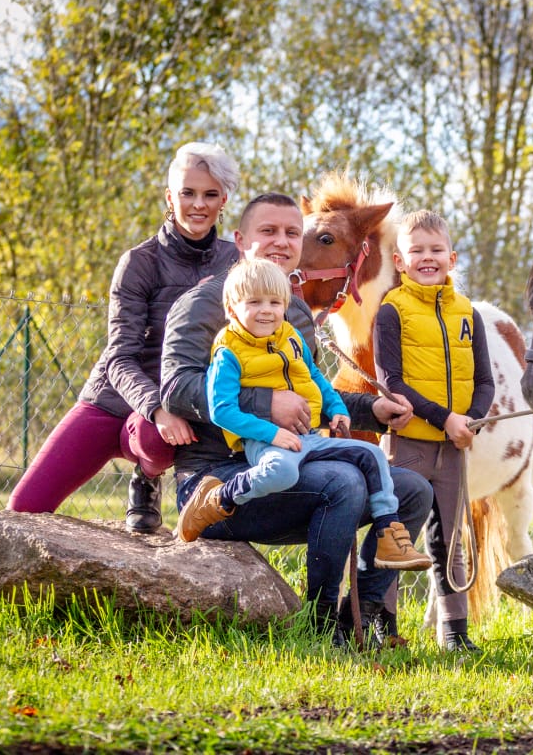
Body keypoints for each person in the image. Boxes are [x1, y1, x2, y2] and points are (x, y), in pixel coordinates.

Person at [159, 192, 434, 645]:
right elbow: (176, 388)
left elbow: (311, 395)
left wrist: (373, 411)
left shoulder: (295, 310)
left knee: (411, 490)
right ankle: (321, 629)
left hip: (295, 461)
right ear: (240, 239)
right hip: (220, 480)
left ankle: (360, 615)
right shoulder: (203, 304)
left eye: (292, 232)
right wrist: (266, 404)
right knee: (342, 482)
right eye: (269, 231)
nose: (284, 242)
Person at [7, 142, 240, 532]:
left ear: (224, 200)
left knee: (157, 439)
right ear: (170, 196)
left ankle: (147, 477)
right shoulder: (139, 262)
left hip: (179, 408)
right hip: (113, 399)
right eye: (187, 192)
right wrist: (157, 408)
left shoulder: (235, 262)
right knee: (23, 510)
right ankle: (147, 449)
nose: (198, 204)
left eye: (209, 194)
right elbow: (119, 358)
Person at [177, 257, 431, 573]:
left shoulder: (290, 338)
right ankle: (219, 498)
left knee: (371, 456)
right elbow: (222, 411)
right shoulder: (228, 352)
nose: (267, 310)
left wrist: (337, 409)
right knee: (283, 473)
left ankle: (389, 536)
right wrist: (271, 434)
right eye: (254, 302)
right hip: (264, 442)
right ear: (232, 309)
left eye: (275, 302)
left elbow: (316, 378)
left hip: (307, 438)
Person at [372, 209, 495, 652]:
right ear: (400, 262)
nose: (428, 258)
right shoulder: (392, 311)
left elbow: (485, 381)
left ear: (452, 257)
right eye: (417, 251)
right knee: (396, 535)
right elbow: (392, 383)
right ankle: (383, 625)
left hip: (454, 448)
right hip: (408, 446)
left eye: (436, 250)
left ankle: (454, 634)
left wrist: (471, 421)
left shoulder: (468, 313)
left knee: (449, 539)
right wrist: (444, 418)